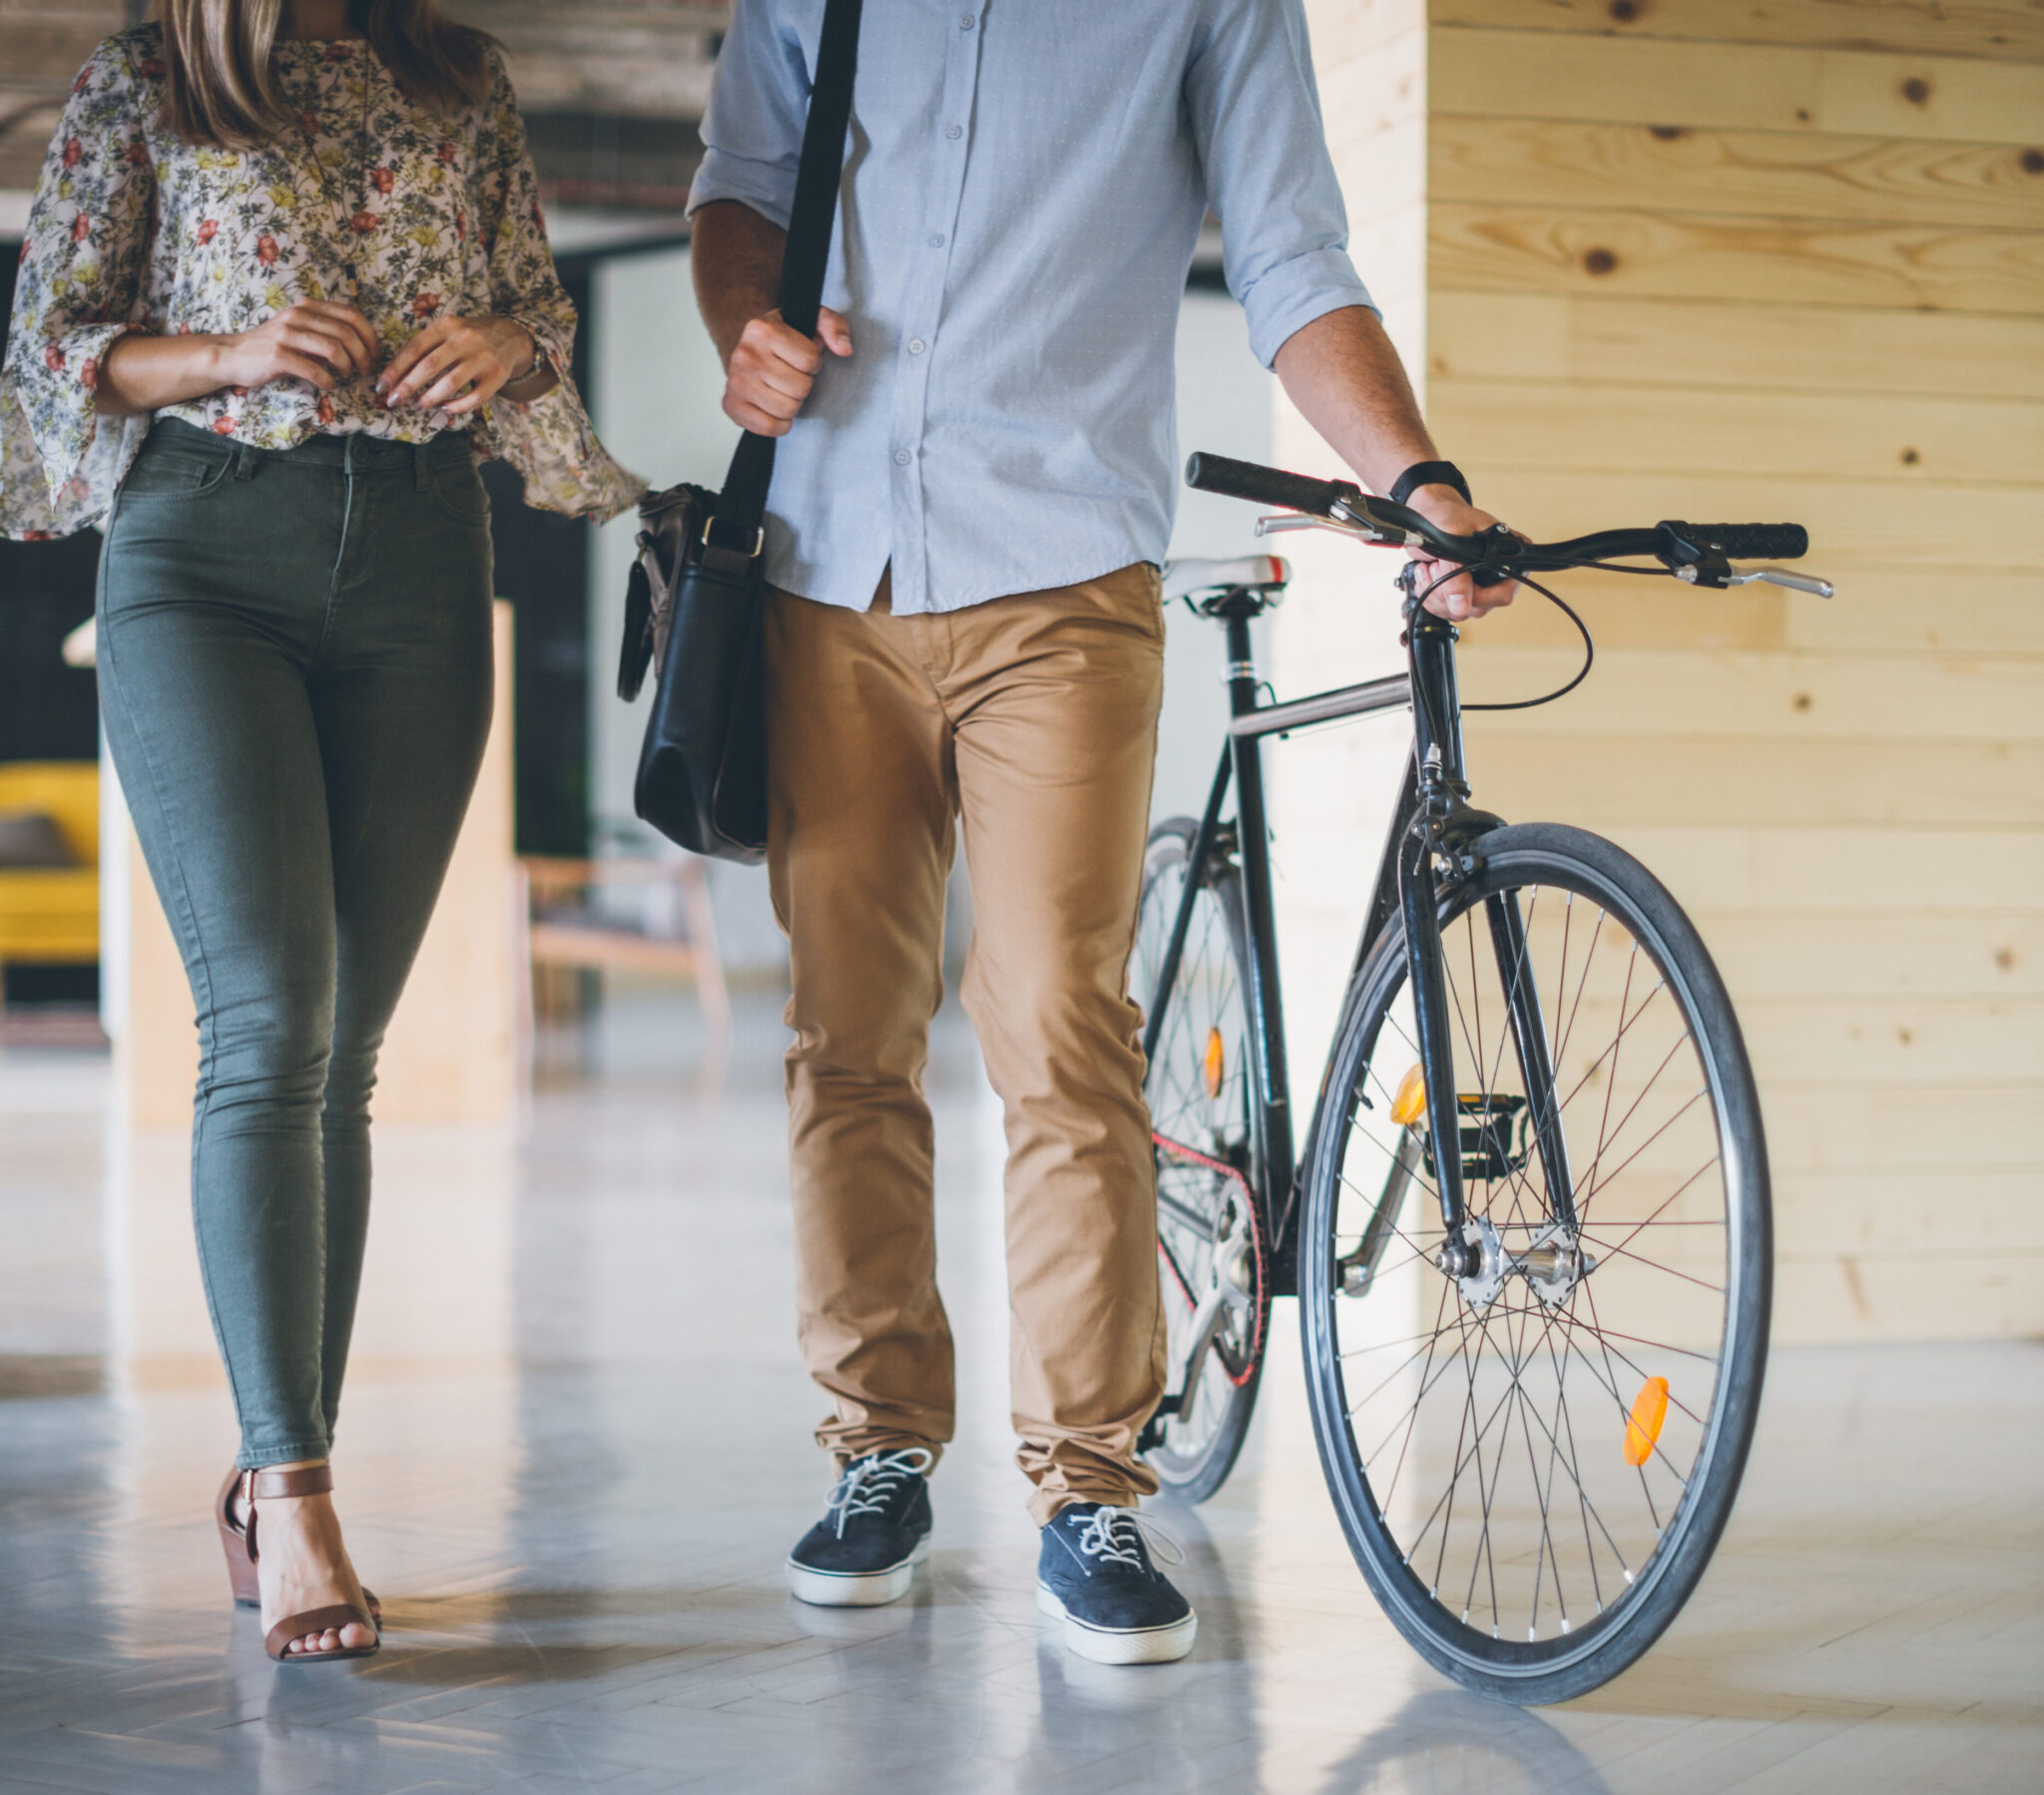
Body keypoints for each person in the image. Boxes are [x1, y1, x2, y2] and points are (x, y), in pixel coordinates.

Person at [690, 0, 1514, 1665]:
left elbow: (1292, 261)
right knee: (847, 1030)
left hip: (1059, 576)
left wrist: (1422, 483)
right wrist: (743, 327)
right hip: (819, 565)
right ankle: (877, 1455)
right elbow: (737, 194)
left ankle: (1089, 1488)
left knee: (1060, 1021)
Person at [0, 0, 640, 1662]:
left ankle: (275, 1470)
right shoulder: (154, 76)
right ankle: (295, 1497)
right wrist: (229, 350)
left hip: (429, 562)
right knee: (268, 1020)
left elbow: (535, 326)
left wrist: (500, 346)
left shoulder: (457, 70)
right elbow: (56, 340)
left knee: (343, 1047)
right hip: (206, 553)